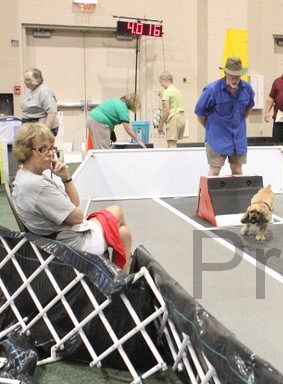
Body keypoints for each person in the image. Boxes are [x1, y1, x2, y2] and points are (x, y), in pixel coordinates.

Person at [12, 123, 133, 272]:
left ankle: (119, 276)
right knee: (117, 213)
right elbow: (77, 216)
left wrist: (66, 178)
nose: (50, 153)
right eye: (42, 149)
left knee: (123, 234)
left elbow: (73, 203)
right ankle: (122, 278)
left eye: (50, 148)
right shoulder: (37, 185)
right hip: (72, 247)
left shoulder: (23, 177)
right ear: (26, 151)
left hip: (58, 242)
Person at [194, 57, 255, 176]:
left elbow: (249, 107)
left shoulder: (247, 89)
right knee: (214, 170)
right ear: (225, 72)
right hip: (217, 138)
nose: (235, 79)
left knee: (237, 170)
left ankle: (237, 195)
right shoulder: (211, 90)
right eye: (232, 75)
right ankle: (206, 195)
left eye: (237, 76)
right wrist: (210, 127)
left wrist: (239, 122)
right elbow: (199, 113)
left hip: (238, 138)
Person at [20, 68, 59, 135]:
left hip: (41, 127)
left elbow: (52, 112)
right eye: (25, 79)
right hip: (30, 126)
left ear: (36, 80)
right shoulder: (29, 90)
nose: (24, 81)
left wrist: (45, 132)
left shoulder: (44, 91)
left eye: (27, 80)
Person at [157, 72, 186, 148]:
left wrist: (160, 124)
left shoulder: (166, 92)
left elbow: (166, 111)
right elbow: (173, 102)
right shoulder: (177, 90)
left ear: (165, 79)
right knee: (173, 144)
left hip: (173, 119)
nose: (161, 85)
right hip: (181, 118)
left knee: (171, 145)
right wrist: (162, 96)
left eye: (161, 82)